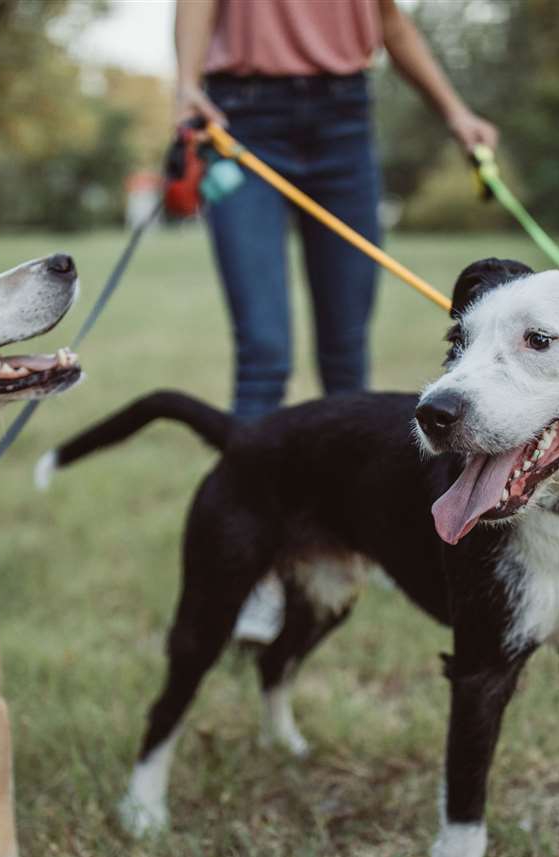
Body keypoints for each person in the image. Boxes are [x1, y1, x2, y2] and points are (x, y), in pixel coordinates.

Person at [175, 0, 498, 641]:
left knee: (346, 356)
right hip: (240, 118)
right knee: (264, 352)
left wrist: (455, 113)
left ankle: (355, 536)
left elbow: (390, 22)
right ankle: (257, 570)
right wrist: (185, 85)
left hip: (344, 119)